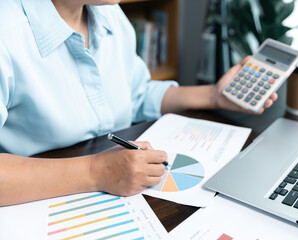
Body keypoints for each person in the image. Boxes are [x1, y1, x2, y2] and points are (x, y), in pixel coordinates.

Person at [0, 0, 277, 206]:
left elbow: (136, 94)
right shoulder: (6, 34)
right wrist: (96, 172)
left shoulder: (109, 13)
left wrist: (213, 96)